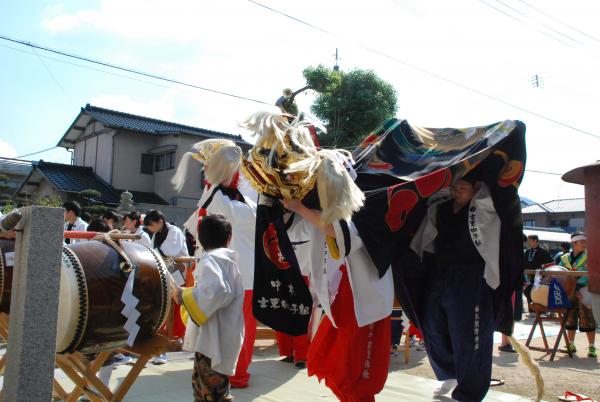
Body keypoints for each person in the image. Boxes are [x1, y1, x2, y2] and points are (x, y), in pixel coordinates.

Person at [176, 139, 257, 389]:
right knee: (236, 328)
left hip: (232, 272)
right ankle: (230, 372)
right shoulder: (245, 200)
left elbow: (202, 216)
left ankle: (232, 374)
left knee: (230, 329)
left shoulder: (220, 197)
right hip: (242, 273)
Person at [411, 177, 501, 401]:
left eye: (463, 188)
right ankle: (450, 371)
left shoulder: (482, 208)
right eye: (454, 187)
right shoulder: (440, 208)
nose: (457, 191)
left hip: (471, 276)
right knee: (432, 327)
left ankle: (469, 392)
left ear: (475, 189)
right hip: (440, 273)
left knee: (469, 335)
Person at [174, 214, 244, 402]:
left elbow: (217, 290)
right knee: (216, 389)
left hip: (213, 336)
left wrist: (185, 295)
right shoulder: (227, 260)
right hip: (225, 331)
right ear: (228, 238)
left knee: (209, 392)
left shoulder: (210, 260)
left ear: (200, 239)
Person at [144, 209, 189, 364]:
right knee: (167, 304)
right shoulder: (157, 234)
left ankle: (177, 337)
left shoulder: (174, 231)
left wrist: (153, 253)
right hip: (166, 271)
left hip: (178, 271)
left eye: (151, 225)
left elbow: (170, 251)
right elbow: (155, 251)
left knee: (177, 305)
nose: (150, 229)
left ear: (160, 222)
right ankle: (166, 338)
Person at [559, 232, 596, 358]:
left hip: (584, 291)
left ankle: (591, 346)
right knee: (570, 318)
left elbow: (592, 273)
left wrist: (578, 284)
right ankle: (571, 344)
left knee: (588, 318)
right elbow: (559, 272)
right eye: (582, 242)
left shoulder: (590, 257)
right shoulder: (564, 259)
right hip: (569, 292)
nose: (585, 244)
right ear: (574, 243)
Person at [523, 235, 554, 305]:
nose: (528, 243)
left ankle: (540, 310)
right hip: (530, 277)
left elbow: (551, 263)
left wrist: (543, 269)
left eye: (529, 241)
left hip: (541, 278)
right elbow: (523, 263)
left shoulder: (543, 251)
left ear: (535, 241)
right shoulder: (527, 252)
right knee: (528, 291)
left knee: (538, 293)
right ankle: (532, 310)